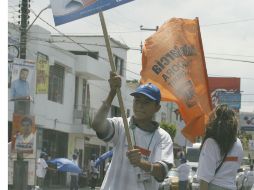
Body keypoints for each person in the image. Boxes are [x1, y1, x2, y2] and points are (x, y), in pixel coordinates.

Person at [91, 72, 174, 190]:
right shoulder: (121, 124)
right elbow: (97, 124)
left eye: (146, 102)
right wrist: (112, 93)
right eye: (137, 101)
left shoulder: (163, 137)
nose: (140, 106)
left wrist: (141, 163)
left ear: (157, 108)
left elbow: (161, 172)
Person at [197, 104, 244, 190]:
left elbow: (204, 179)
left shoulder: (211, 143)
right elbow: (236, 166)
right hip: (232, 186)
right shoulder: (238, 143)